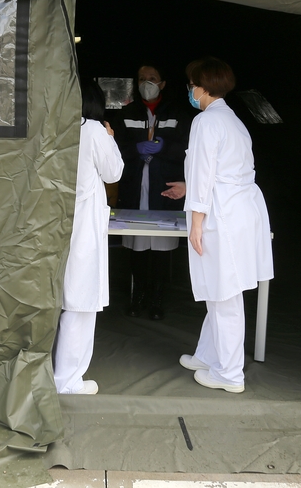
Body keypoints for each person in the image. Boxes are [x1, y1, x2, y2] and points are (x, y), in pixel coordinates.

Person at [162, 57, 272, 394]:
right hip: (238, 211)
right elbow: (220, 173)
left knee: (224, 296)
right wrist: (188, 187)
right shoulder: (232, 119)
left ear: (202, 86)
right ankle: (209, 356)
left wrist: (195, 223)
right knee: (220, 292)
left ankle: (229, 374)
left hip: (222, 216)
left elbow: (205, 175)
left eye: (192, 83)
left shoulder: (206, 121)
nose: (190, 90)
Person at [53, 79, 124, 395]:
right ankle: (67, 380)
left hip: (58, 224)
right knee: (80, 305)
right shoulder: (94, 130)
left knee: (65, 301)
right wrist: (111, 138)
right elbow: (114, 173)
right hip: (83, 230)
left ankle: (61, 376)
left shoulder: (57, 128)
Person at [113, 64, 191, 320]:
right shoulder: (127, 112)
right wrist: (137, 149)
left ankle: (157, 299)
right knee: (137, 248)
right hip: (134, 188)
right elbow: (113, 150)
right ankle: (138, 297)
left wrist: (164, 148)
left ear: (163, 83)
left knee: (161, 249)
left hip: (164, 189)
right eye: (142, 79)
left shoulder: (178, 113)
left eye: (152, 79)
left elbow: (188, 150)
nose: (147, 83)